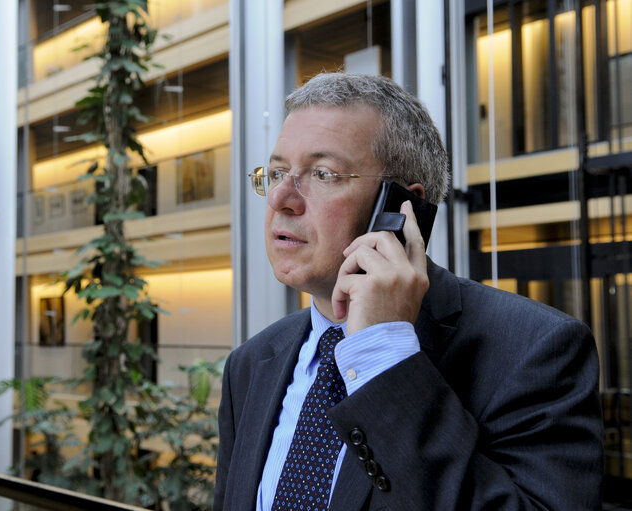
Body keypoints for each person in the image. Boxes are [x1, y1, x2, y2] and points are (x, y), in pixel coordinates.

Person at [214, 72, 603, 511]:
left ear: (401, 210)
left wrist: (385, 357)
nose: (281, 198)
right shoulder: (250, 365)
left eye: (323, 174)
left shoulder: (537, 350)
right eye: (279, 172)